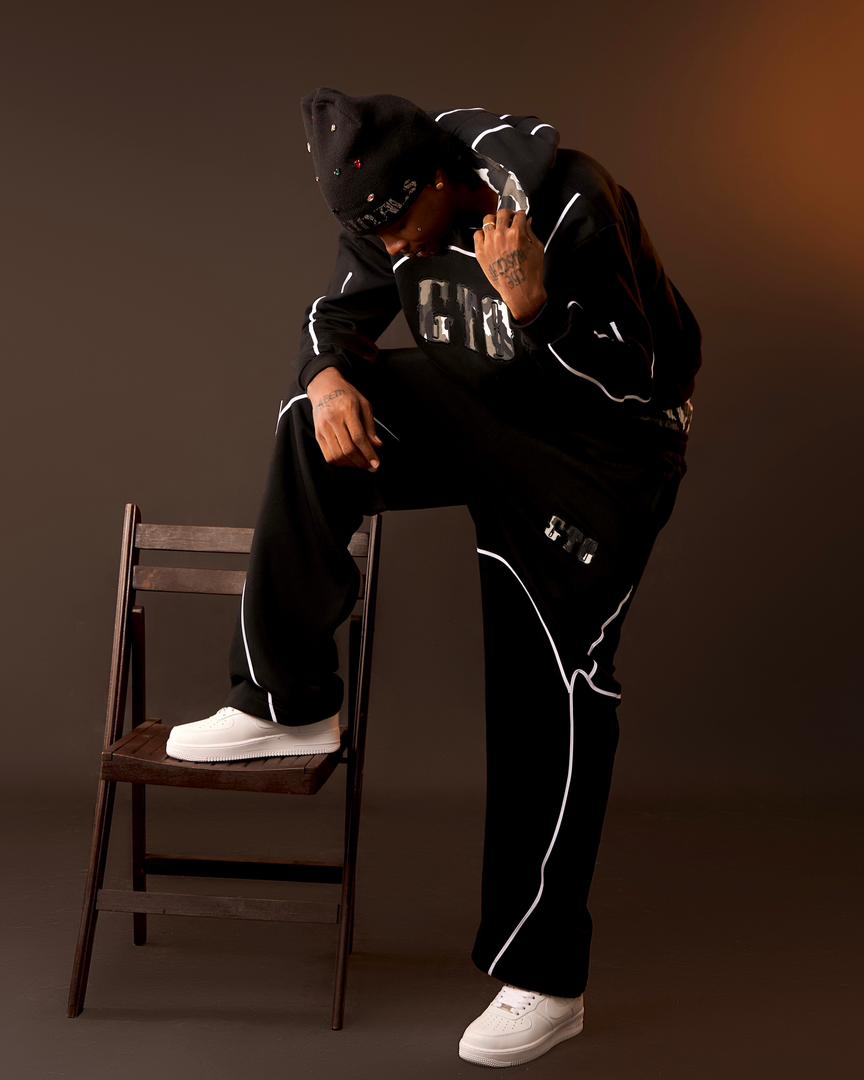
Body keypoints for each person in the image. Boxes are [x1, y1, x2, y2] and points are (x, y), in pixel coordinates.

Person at [166, 88, 702, 1067]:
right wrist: (327, 376)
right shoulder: (388, 216)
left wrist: (533, 304)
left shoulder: (573, 204)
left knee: (552, 684)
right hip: (493, 415)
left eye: (399, 230)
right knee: (314, 423)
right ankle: (288, 698)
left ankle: (545, 980)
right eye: (373, 238)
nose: (392, 254)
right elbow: (334, 317)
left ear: (444, 183)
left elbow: (650, 379)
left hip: (603, 456)